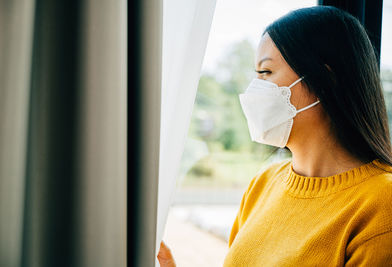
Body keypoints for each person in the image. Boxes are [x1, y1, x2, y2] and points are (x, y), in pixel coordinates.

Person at [157, 6, 392, 266]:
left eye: (265, 72)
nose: (252, 90)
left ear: (325, 80)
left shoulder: (382, 205)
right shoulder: (263, 183)